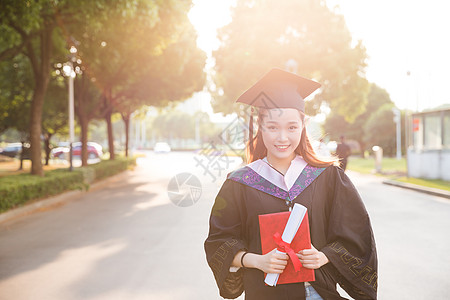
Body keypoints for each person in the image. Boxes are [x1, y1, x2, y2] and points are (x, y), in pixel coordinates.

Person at [204, 68, 378, 300]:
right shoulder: (240, 183)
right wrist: (258, 260)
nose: (282, 137)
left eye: (292, 127)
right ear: (260, 126)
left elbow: (357, 234)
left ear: (303, 125)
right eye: (273, 127)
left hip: (318, 293)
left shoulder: (327, 177)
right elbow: (219, 243)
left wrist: (324, 256)